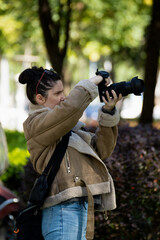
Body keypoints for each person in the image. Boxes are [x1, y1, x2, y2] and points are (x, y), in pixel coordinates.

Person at [18, 66, 122, 240]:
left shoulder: (70, 129)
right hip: (61, 211)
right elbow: (69, 109)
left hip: (81, 208)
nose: (63, 97)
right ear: (40, 98)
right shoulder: (35, 125)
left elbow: (102, 150)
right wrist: (92, 83)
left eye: (63, 92)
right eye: (57, 93)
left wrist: (108, 111)